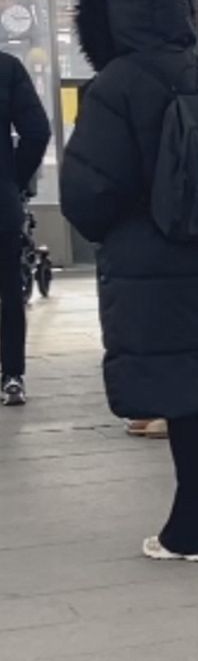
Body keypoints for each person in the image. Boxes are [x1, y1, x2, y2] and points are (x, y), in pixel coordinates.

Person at [60, 0, 198, 561]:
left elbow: (89, 189)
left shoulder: (116, 85)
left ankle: (192, 529)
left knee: (177, 393)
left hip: (150, 259)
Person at [0, 52, 51, 407]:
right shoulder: (7, 68)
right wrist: (12, 179)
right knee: (8, 289)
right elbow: (37, 132)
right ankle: (12, 375)